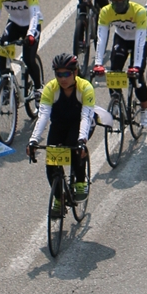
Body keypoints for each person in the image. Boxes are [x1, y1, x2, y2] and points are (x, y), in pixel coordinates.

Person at [27, 52, 100, 198]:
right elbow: (43, 116)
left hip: (80, 123)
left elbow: (86, 117)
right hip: (59, 124)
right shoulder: (50, 88)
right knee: (51, 164)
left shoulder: (85, 88)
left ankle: (80, 181)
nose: (62, 79)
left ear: (75, 72)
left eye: (66, 74)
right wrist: (33, 140)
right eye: (59, 75)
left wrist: (82, 141)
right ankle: (59, 199)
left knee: (75, 150)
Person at [93, 0, 147, 125]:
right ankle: (116, 101)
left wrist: (137, 66)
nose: (118, 3)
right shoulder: (106, 11)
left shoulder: (138, 11)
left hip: (140, 38)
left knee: (136, 76)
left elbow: (139, 41)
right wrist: (98, 63)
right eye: (114, 0)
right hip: (122, 37)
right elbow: (102, 38)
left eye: (121, 0)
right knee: (113, 72)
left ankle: (145, 109)